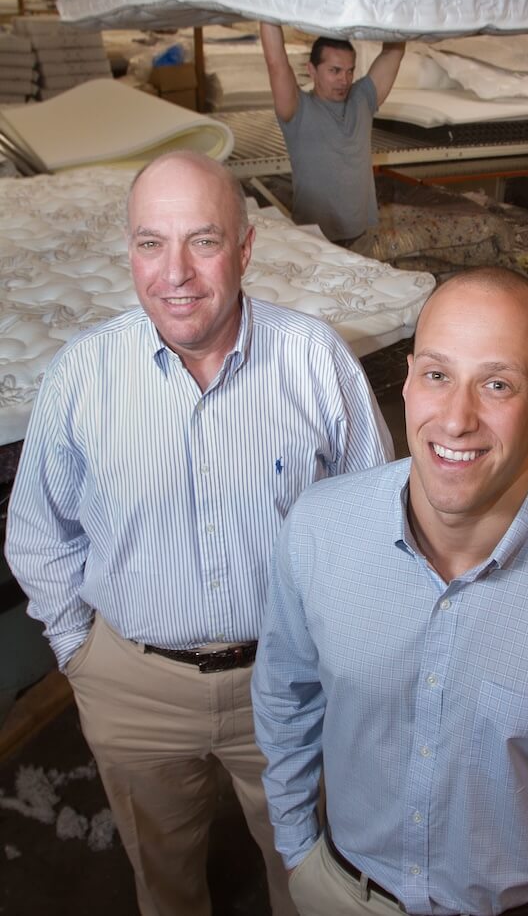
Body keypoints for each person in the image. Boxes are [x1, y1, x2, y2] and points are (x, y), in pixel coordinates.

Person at [5, 150, 393, 916]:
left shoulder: (315, 360)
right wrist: (80, 653)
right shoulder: (81, 376)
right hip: (134, 688)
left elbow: (378, 524)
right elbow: (37, 533)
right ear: (130, 253)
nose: (175, 272)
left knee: (311, 876)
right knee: (165, 879)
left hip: (290, 680)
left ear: (246, 249)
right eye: (152, 242)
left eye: (203, 241)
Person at [252, 267, 528, 916]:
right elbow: (285, 695)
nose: (456, 419)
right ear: (407, 381)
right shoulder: (318, 529)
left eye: (496, 384)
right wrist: (298, 853)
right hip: (340, 891)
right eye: (437, 375)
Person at [260, 23, 405, 243]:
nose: (344, 80)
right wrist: (266, 10)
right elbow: (276, 64)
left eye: (349, 71)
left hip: (361, 236)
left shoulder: (362, 99)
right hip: (313, 239)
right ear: (312, 70)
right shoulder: (298, 108)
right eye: (334, 71)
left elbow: (393, 52)